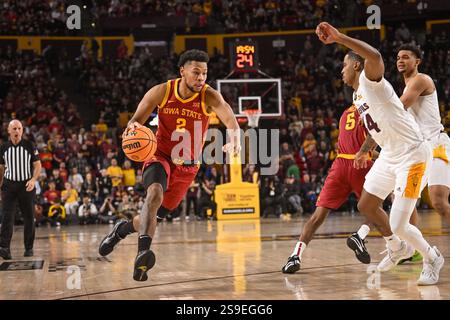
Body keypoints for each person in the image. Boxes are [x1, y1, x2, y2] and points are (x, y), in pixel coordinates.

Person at [315, 22, 443, 285]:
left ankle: (431, 257)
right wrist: (365, 150)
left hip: (412, 155)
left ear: (356, 66)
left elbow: (375, 56)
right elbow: (378, 127)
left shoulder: (369, 80)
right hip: (389, 155)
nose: (340, 70)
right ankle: (398, 248)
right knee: (366, 204)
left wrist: (339, 38)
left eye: (344, 65)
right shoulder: (356, 97)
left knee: (398, 224)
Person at [98, 49, 240, 281]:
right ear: (182, 71)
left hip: (188, 167)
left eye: (204, 73)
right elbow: (135, 121)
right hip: (160, 155)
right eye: (196, 72)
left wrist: (235, 139)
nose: (201, 78)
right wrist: (132, 129)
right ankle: (143, 254)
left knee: (153, 216)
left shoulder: (209, 96)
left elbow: (230, 119)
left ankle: (121, 230)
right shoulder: (162, 91)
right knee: (154, 194)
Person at [282, 81, 375, 273]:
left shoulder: (344, 115)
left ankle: (295, 256)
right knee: (377, 212)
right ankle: (360, 235)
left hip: (340, 165)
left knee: (317, 217)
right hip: (361, 165)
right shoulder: (369, 113)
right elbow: (370, 141)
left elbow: (350, 144)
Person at [396, 44, 450, 225]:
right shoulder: (406, 87)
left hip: (436, 145)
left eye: (405, 57)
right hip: (419, 149)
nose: (400, 60)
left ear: (417, 61)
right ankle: (414, 251)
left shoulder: (421, 80)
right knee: (405, 204)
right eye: (398, 58)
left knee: (439, 202)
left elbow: (397, 109)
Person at [0, 120, 42, 260]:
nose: (17, 131)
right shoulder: (3, 148)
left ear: (22, 131)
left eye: (19, 128)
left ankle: (28, 248)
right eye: (14, 129)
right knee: (7, 217)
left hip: (26, 185)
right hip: (9, 185)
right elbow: (1, 168)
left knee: (29, 217)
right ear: (9, 131)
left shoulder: (29, 145)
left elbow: (37, 165)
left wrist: (33, 180)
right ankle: (4, 248)